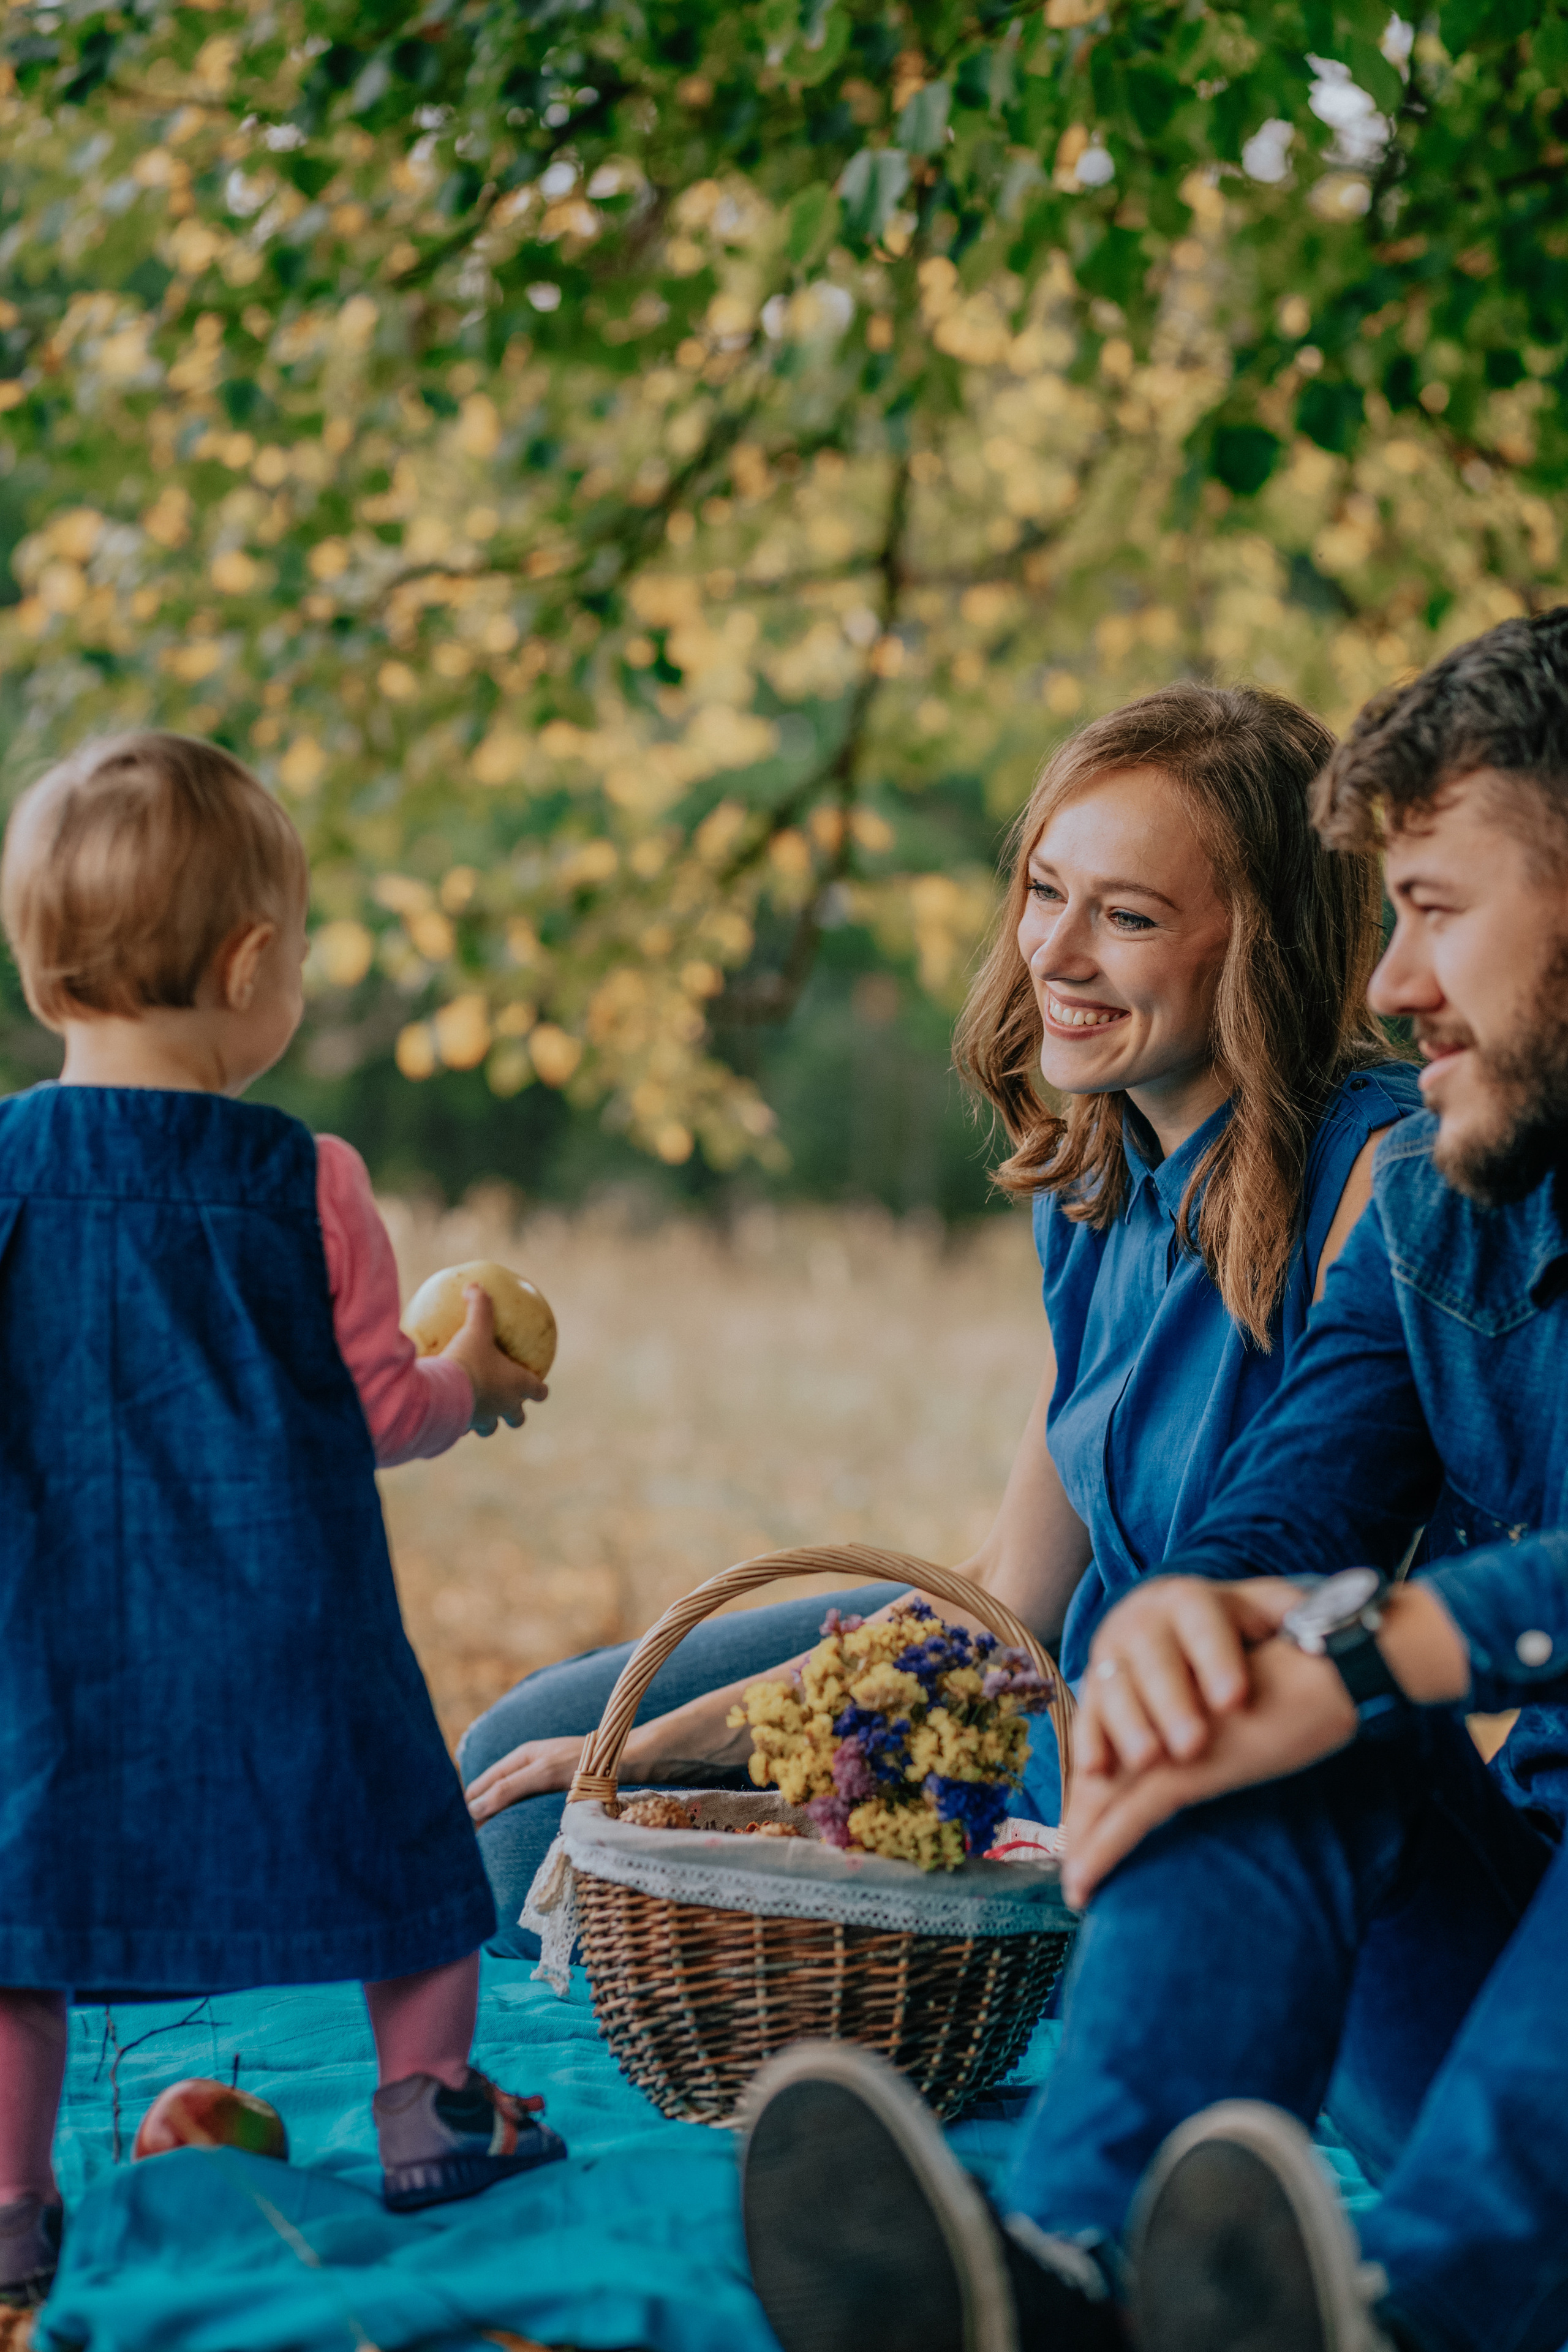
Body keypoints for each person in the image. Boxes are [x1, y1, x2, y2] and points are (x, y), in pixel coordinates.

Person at [737, 609, 1568, 2352]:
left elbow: (1391, 1616)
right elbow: (1300, 1499)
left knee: (1319, 1663)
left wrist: (1367, 1646)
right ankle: (1064, 2274)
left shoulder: (1361, 1157)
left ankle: (1409, 2315)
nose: (1394, 981)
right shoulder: (1446, 1205)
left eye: (1436, 910)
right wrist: (1197, 1621)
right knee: (1243, 1672)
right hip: (1501, 1967)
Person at [458, 683, 1421, 1945]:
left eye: (1127, 915)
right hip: (1033, 1701)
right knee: (530, 1771)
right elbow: (1011, 1594)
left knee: (549, 1835)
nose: (1054, 954)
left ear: (1266, 946)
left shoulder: (1378, 1173)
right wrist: (649, 1746)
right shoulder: (1094, 1185)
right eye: (1044, 891)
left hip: (1200, 1785)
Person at [0, 734, 565, 2312]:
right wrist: (471, 1379)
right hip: (282, 1627)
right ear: (251, 966)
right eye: (300, 960)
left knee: (16, 1909)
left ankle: (12, 2203)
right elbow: (379, 1407)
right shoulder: (307, 1181)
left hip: (48, 1633)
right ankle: (429, 2111)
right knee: (408, 1859)